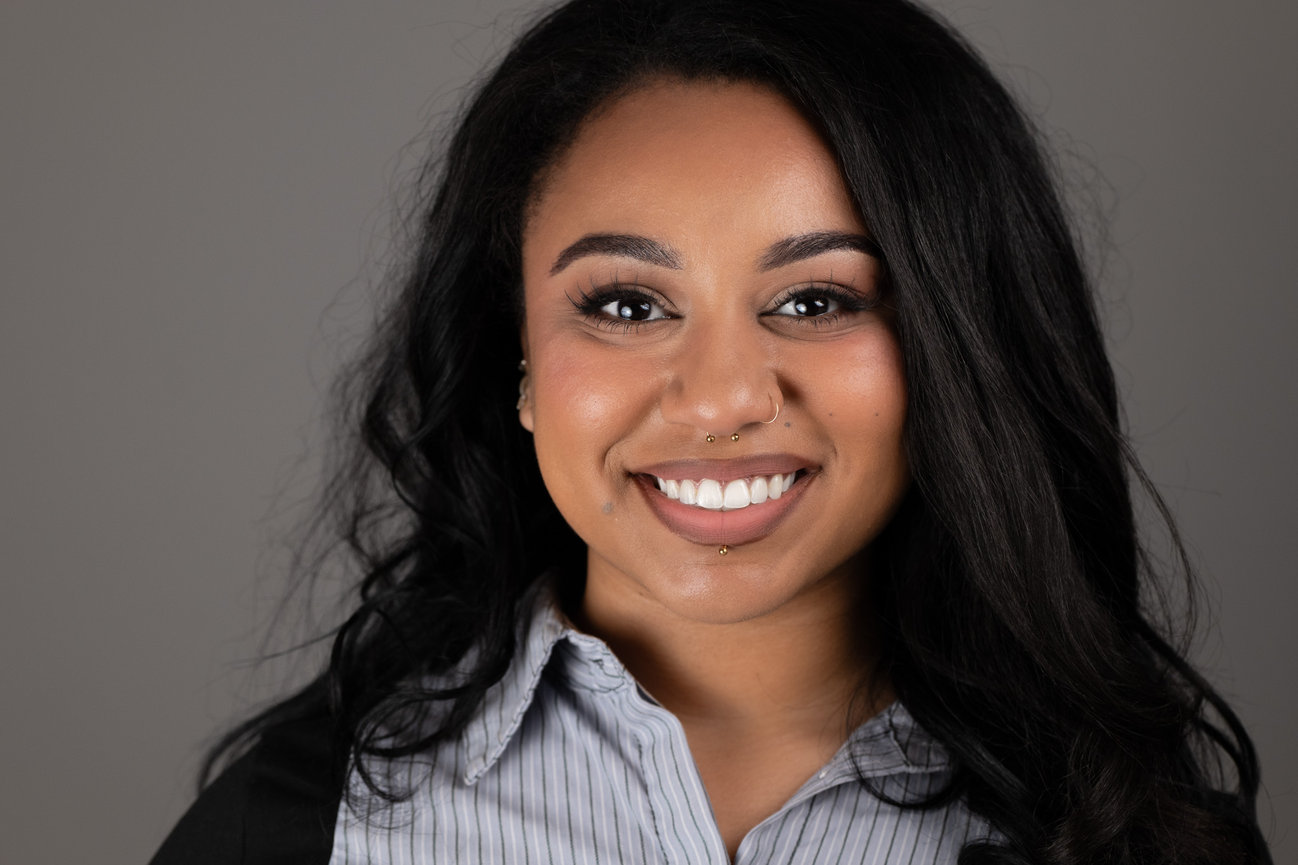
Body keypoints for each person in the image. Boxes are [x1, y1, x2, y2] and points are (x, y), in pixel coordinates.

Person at [150, 0, 1271, 862]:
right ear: (517, 362)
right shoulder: (298, 828)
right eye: (626, 304)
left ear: (954, 347)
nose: (722, 396)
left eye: (817, 299)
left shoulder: (1137, 833)